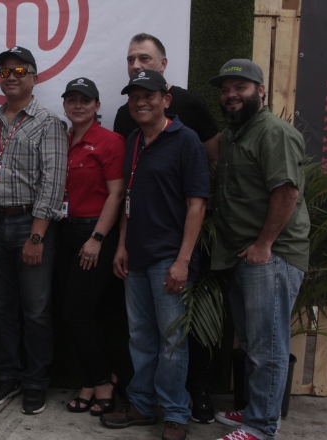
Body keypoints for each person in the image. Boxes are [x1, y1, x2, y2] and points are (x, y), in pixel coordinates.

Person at [113, 32, 221, 423]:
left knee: (173, 341)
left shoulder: (186, 140)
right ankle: (142, 405)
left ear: (166, 99)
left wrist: (183, 261)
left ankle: (175, 415)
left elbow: (198, 205)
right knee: (141, 338)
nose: (141, 102)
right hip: (136, 258)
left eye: (149, 96)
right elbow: (129, 200)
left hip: (169, 260)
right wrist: (122, 246)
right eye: (134, 97)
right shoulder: (132, 142)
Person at [208, 59, 309, 440]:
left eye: (241, 87)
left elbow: (286, 192)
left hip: (272, 255)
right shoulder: (235, 132)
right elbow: (207, 149)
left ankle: (262, 425)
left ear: (261, 90)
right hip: (244, 255)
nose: (231, 95)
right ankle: (255, 410)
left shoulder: (273, 133)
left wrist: (264, 245)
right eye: (225, 89)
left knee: (267, 345)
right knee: (252, 341)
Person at [0, 46, 68, 415]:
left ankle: (35, 381)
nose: (11, 76)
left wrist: (36, 235)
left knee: (37, 310)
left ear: (35, 77)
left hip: (32, 224)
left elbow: (54, 183)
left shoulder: (49, 123)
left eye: (19, 70)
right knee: (0, 308)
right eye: (5, 71)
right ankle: (8, 375)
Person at [57, 78, 125, 416]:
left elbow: (117, 194)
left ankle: (103, 382)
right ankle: (89, 380)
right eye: (72, 100)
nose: (78, 105)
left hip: (94, 235)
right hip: (65, 233)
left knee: (78, 314)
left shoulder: (110, 142)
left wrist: (97, 239)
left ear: (98, 106)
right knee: (79, 314)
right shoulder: (62, 139)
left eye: (86, 100)